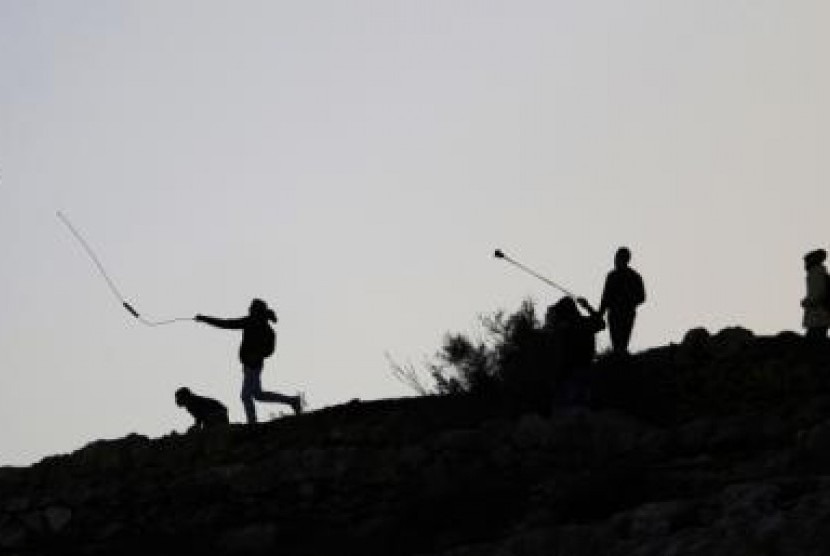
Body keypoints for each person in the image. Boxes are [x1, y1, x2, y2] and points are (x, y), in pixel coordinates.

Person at [195, 299, 304, 424]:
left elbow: (269, 350)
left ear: (256, 311)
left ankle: (252, 421)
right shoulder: (256, 324)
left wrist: (257, 355)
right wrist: (204, 319)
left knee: (246, 395)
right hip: (249, 364)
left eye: (251, 309)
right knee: (258, 395)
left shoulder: (260, 327)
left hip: (254, 365)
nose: (249, 310)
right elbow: (226, 324)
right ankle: (292, 401)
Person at [544, 296, 606, 403]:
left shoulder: (563, 328)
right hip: (585, 373)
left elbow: (558, 353)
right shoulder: (585, 323)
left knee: (564, 411)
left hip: (566, 376)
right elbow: (601, 323)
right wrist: (587, 307)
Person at [599, 247, 646, 355]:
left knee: (621, 344)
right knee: (619, 345)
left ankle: (620, 361)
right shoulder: (631, 276)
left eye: (617, 258)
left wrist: (626, 302)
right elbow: (605, 298)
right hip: (618, 313)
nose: (615, 260)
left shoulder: (618, 276)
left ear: (624, 259)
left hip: (624, 313)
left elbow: (642, 297)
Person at [801, 249, 830, 341]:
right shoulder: (820, 272)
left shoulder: (815, 273)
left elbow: (816, 295)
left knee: (814, 342)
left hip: (818, 316)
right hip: (821, 315)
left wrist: (806, 302)